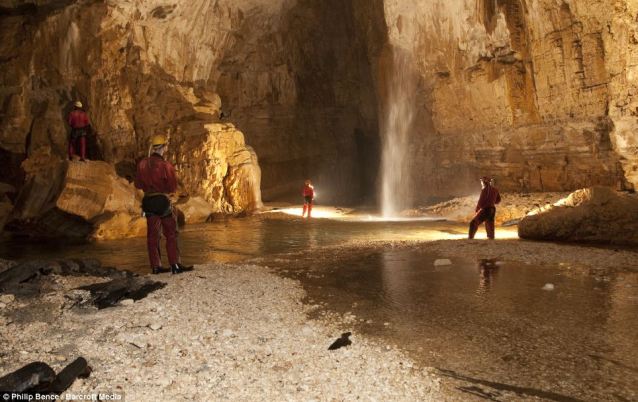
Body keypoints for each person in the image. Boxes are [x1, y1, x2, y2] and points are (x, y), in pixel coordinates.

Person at [135, 134, 193, 275]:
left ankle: (156, 267)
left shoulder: (142, 164)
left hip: (148, 202)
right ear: (164, 147)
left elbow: (138, 184)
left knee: (152, 236)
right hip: (161, 201)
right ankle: (175, 265)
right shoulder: (165, 165)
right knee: (171, 233)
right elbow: (172, 187)